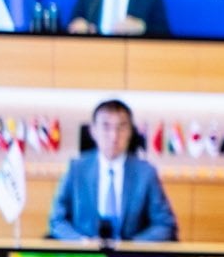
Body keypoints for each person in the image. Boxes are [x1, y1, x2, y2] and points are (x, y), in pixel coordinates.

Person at [47, 99, 178, 243]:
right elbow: (57, 220)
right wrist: (81, 242)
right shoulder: (76, 169)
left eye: (121, 127)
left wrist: (131, 246)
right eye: (106, 126)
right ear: (93, 131)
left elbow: (165, 224)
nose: (114, 136)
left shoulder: (146, 173)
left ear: (130, 132)